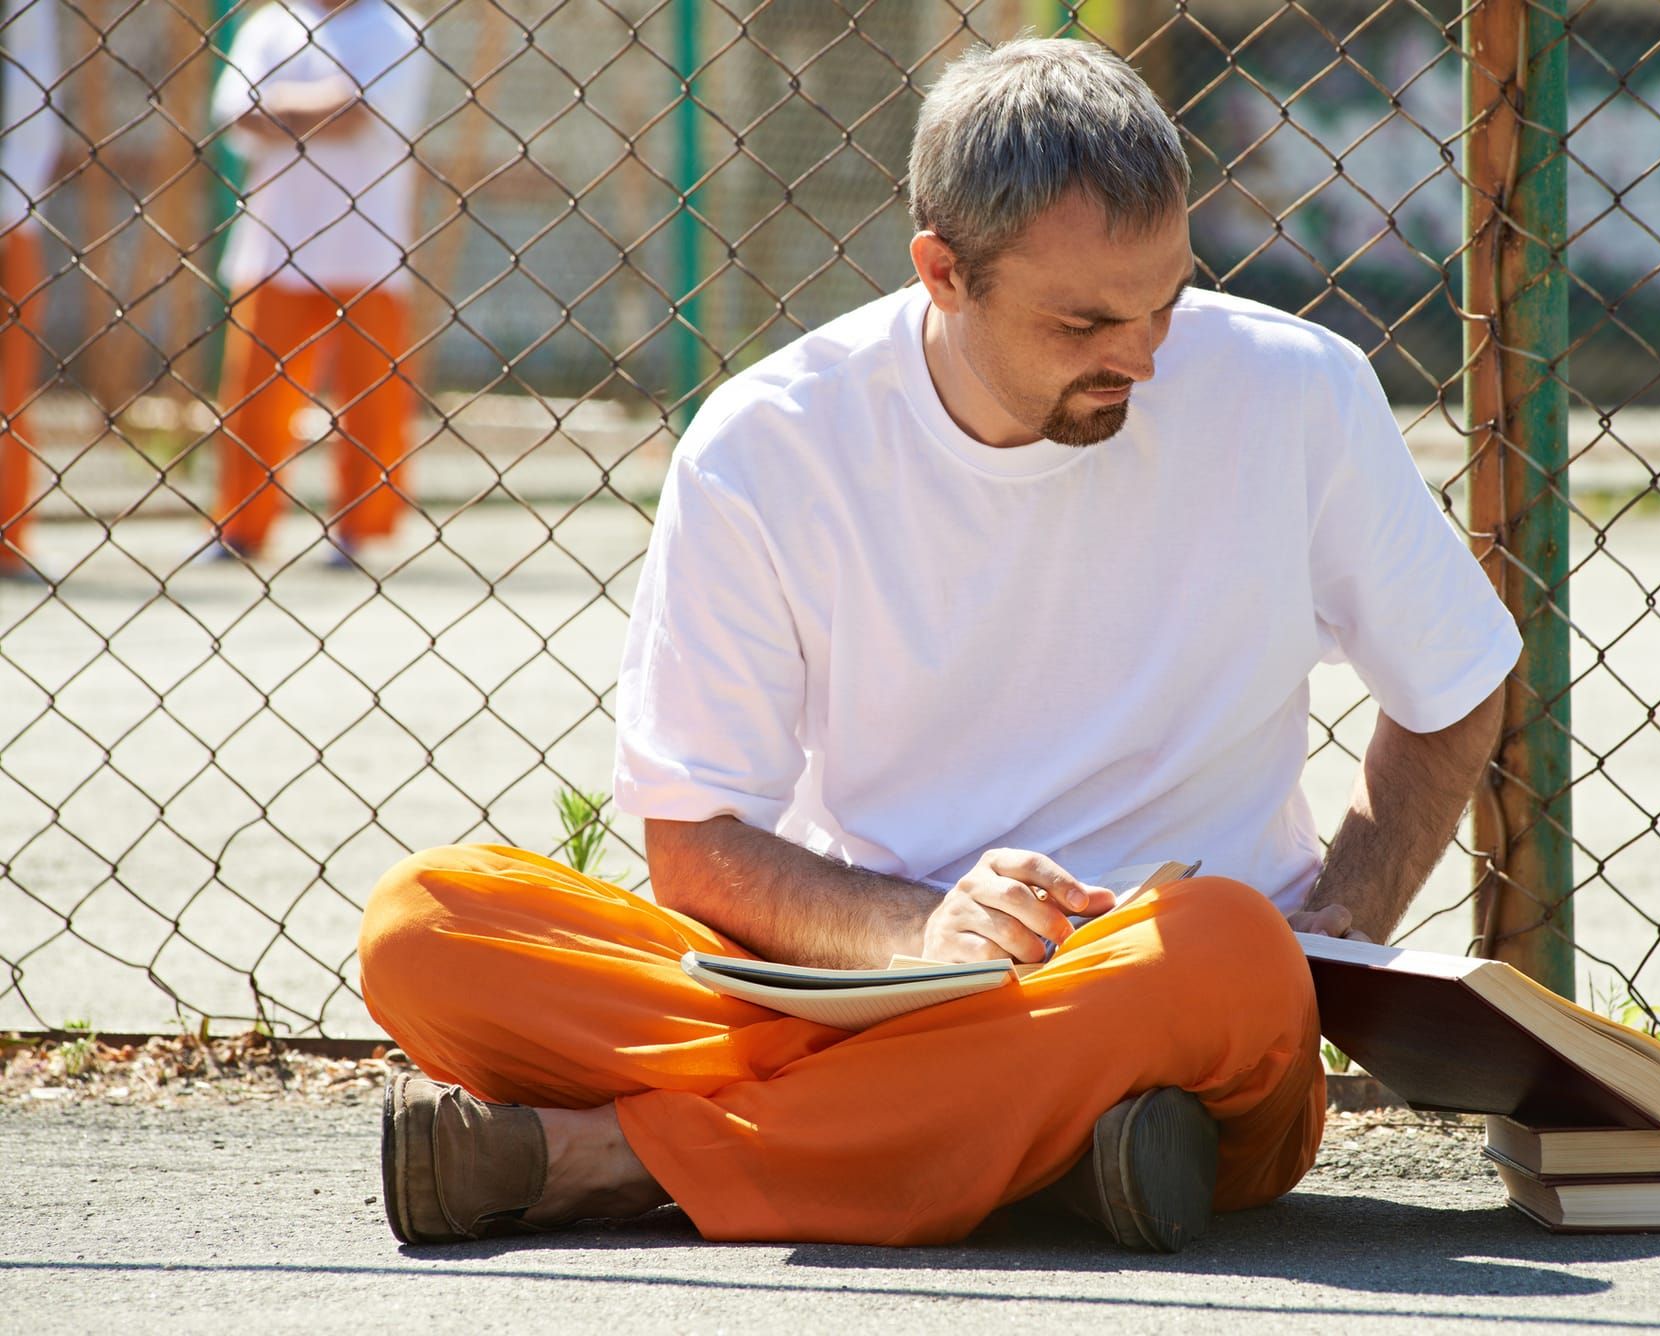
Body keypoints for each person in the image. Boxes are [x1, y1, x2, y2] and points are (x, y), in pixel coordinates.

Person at [358, 38, 1520, 1251]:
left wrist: (1336, 923)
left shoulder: (1296, 391)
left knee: (1226, 950)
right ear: (942, 272)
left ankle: (618, 1159)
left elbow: (1453, 682)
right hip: (865, 991)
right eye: (1085, 321)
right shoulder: (765, 446)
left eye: (1168, 300)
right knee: (426, 923)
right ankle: (1037, 1149)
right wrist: (921, 932)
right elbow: (695, 842)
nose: (1142, 355)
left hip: (1168, 1007)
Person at [204, 0, 430, 565]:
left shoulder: (396, 28)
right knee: (254, 394)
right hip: (274, 240)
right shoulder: (269, 25)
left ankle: (360, 529)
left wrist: (279, 105)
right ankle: (242, 526)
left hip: (367, 245)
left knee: (371, 396)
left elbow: (363, 113)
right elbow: (236, 113)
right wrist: (330, 103)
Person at [1, 0, 61, 580]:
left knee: (7, 383)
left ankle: (4, 532)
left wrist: (10, 207)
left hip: (6, 214)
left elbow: (32, 87)